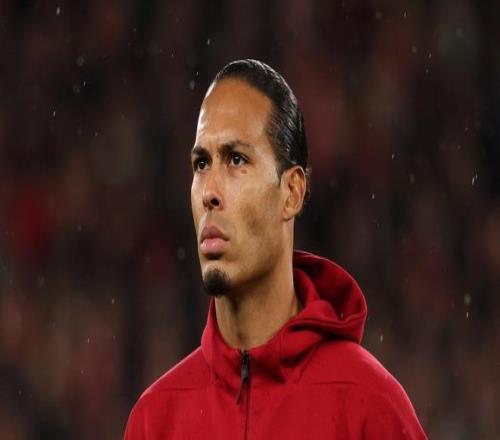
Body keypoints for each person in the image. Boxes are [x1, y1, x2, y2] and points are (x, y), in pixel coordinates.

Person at [124, 59, 427, 439]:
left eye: (236, 159)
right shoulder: (156, 420)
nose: (209, 192)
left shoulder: (369, 406)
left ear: (292, 193)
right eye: (201, 164)